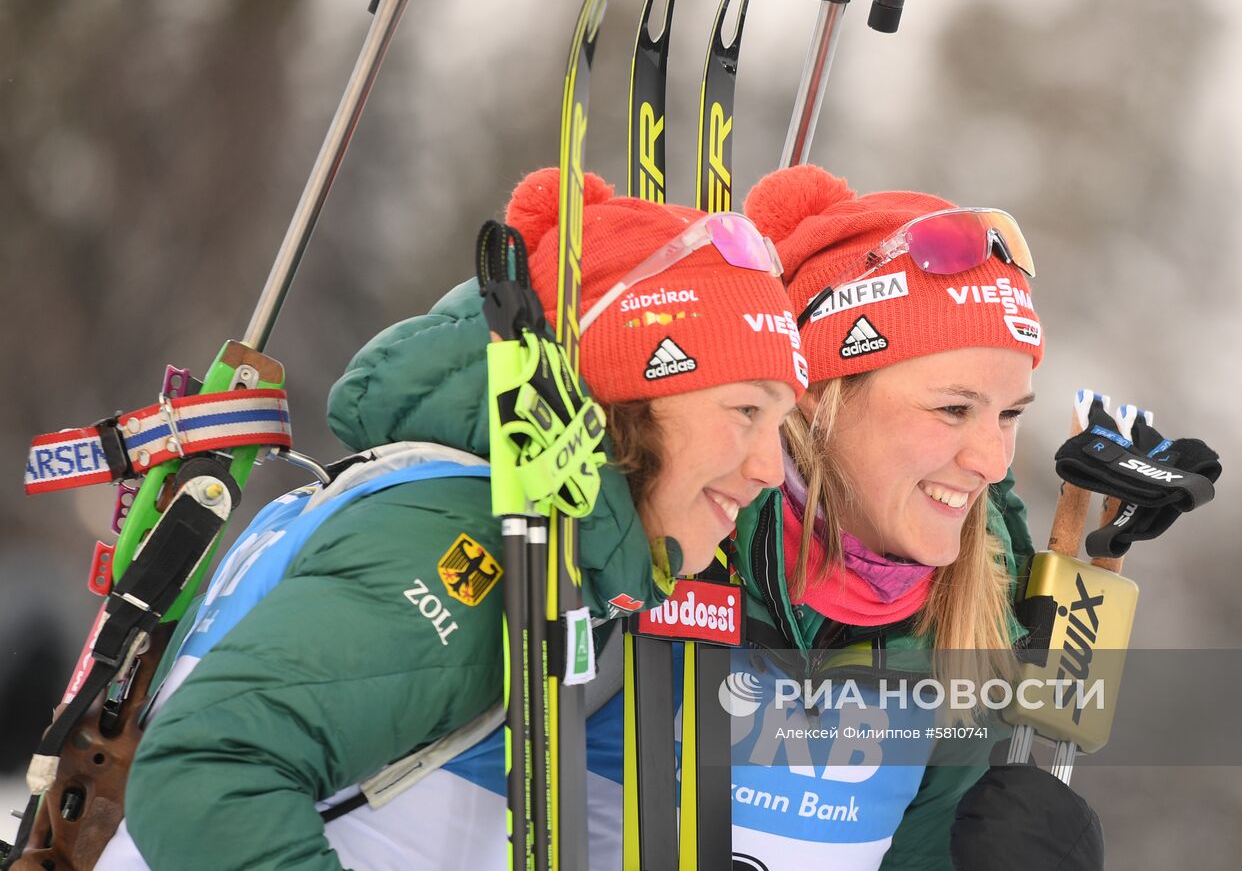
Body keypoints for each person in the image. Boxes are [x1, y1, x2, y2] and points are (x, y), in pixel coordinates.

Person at [93, 167, 807, 871]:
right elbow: (205, 773)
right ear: (623, 395)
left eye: (779, 423)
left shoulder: (478, 518)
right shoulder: (463, 540)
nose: (771, 468)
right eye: (745, 409)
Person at [717, 164, 1101, 870]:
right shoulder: (679, 553)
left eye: (1009, 414)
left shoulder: (973, 628)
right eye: (953, 408)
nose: (992, 461)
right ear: (817, 391)